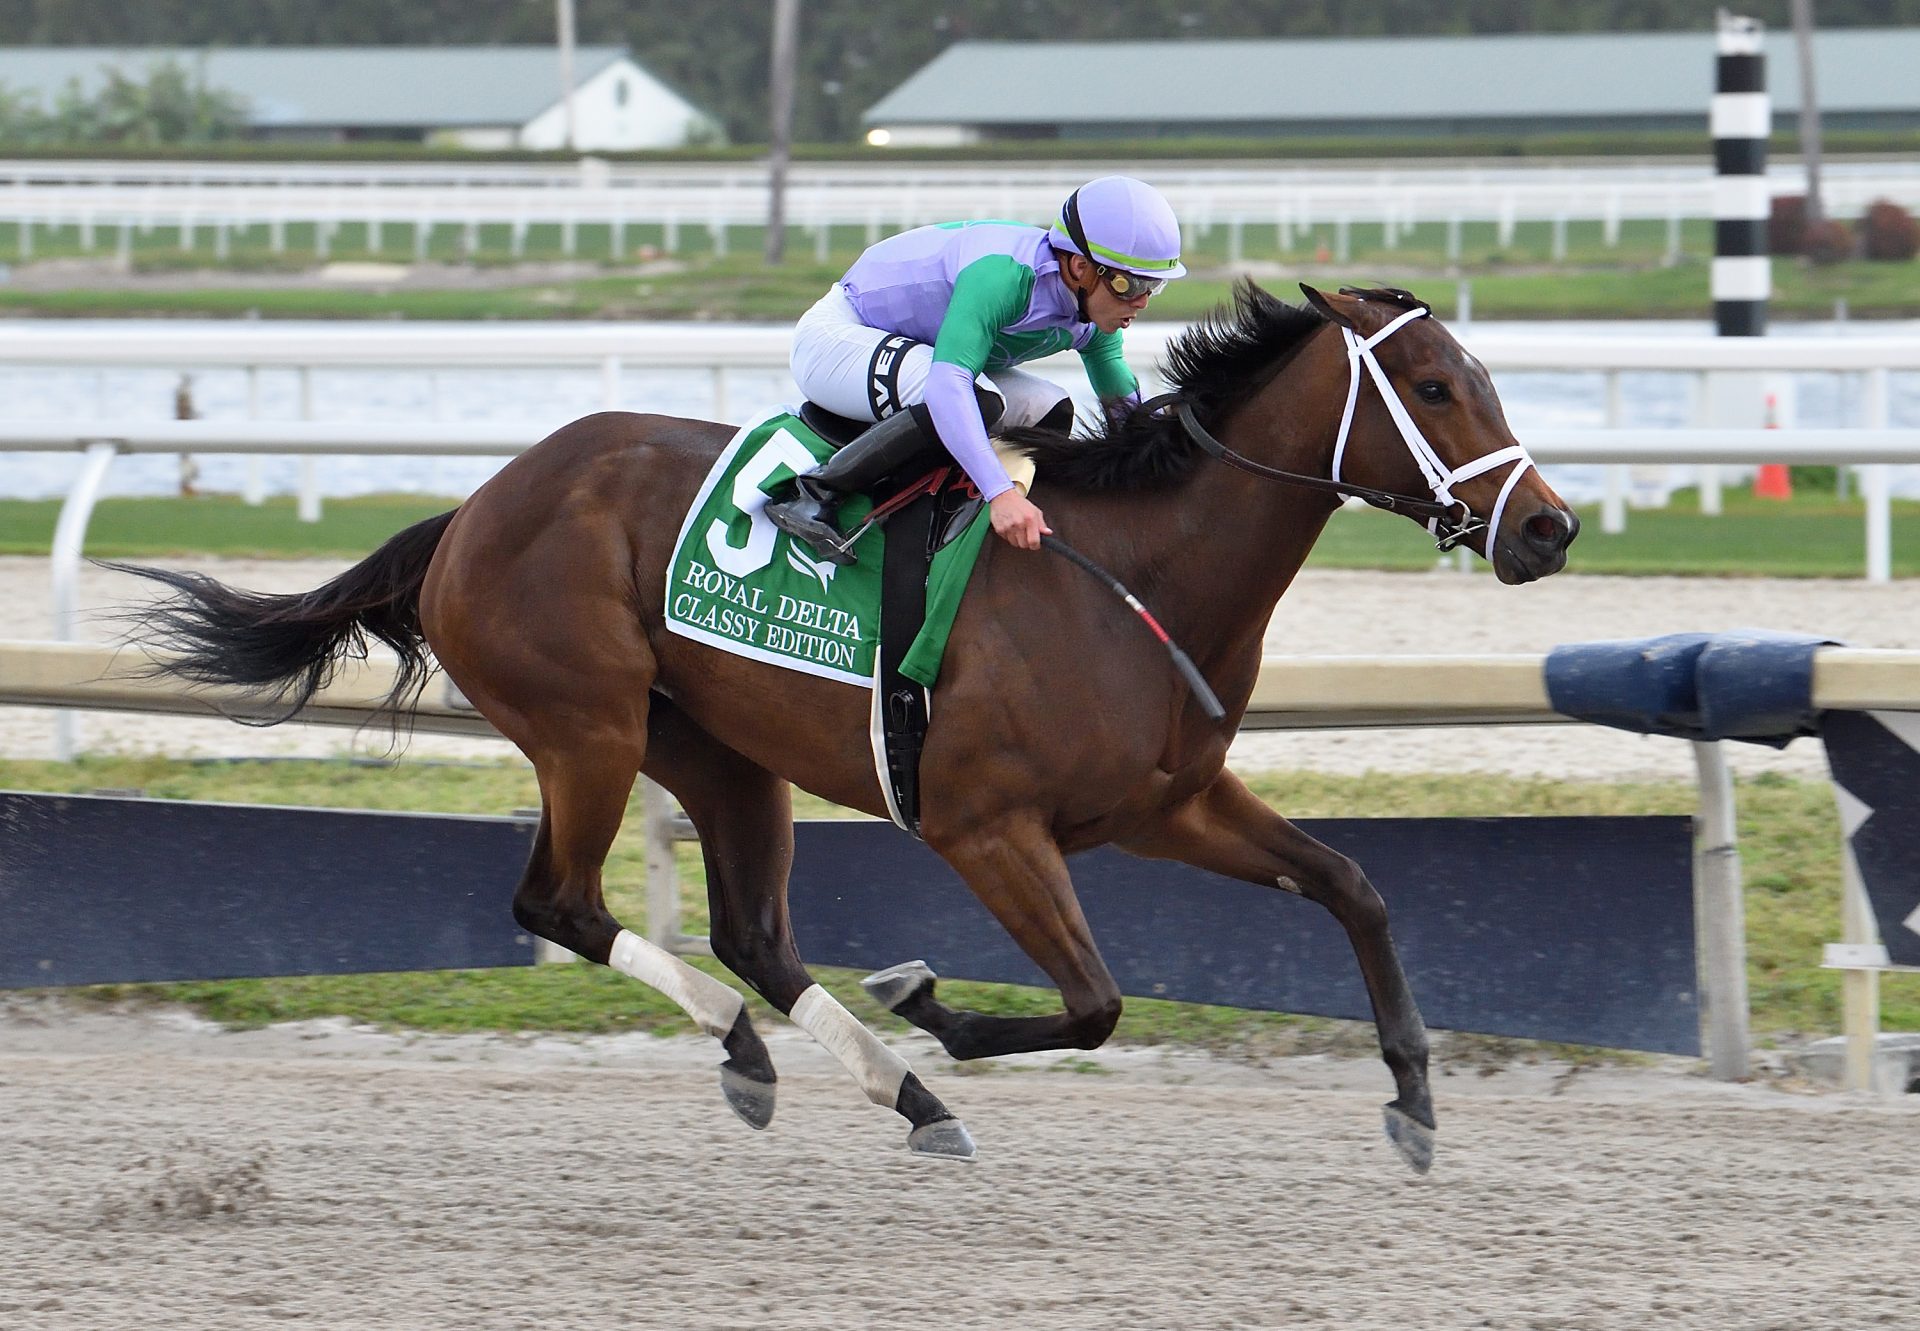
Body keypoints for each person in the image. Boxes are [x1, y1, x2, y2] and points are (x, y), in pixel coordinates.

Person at [766, 174, 1186, 564]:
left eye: (1154, 286)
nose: (1142, 302)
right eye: (1131, 285)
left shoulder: (1092, 314)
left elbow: (1126, 414)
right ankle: (814, 492)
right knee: (979, 400)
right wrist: (999, 493)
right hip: (838, 337)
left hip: (918, 347)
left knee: (1051, 408)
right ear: (1080, 268)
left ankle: (957, 516)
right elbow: (949, 386)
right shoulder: (1003, 278)